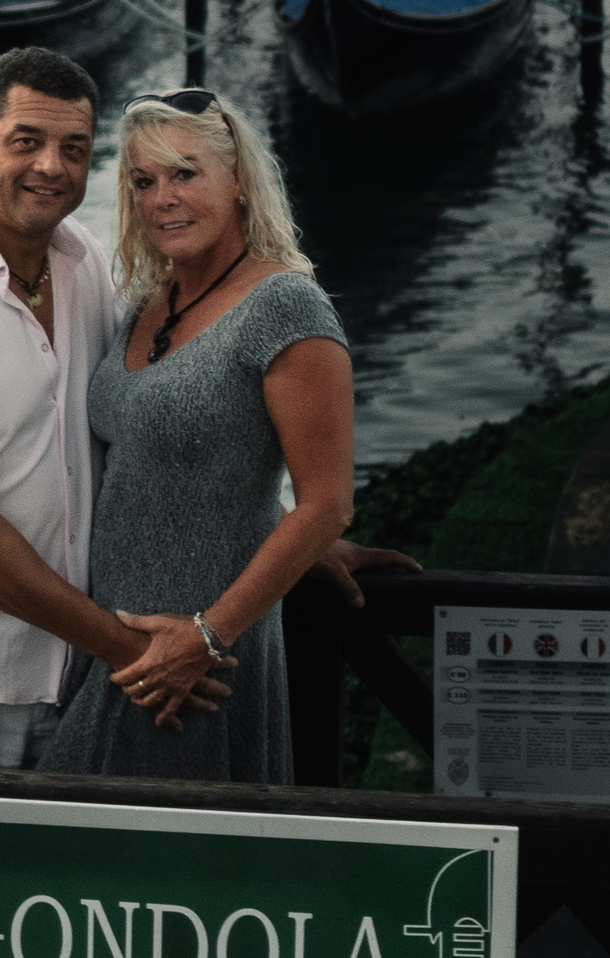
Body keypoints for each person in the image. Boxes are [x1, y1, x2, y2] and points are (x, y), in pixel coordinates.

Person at [0, 51, 410, 770]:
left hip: (87, 662)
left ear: (239, 184)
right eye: (26, 142)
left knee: (94, 875)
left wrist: (291, 537)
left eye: (74, 149)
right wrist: (128, 647)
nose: (50, 166)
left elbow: (193, 433)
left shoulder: (86, 271)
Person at [36, 86, 404, 782]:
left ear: (237, 181)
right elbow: (181, 461)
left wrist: (207, 636)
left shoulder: (287, 305)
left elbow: (329, 500)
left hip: (197, 664)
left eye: (185, 172)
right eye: (144, 181)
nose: (163, 197)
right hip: (118, 648)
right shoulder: (148, 303)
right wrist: (287, 534)